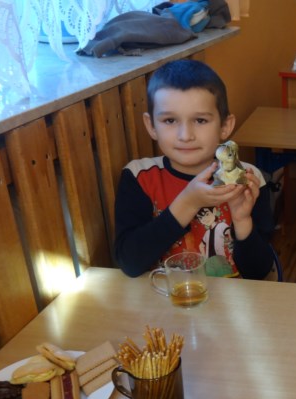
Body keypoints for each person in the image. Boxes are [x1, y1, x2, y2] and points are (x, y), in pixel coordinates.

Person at [114, 59, 273, 279]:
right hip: (163, 296)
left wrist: (242, 220)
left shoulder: (248, 179)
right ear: (151, 126)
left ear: (225, 126)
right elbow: (130, 263)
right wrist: (189, 202)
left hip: (232, 298)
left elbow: (259, 273)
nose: (185, 135)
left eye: (200, 120)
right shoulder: (139, 177)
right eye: (170, 120)